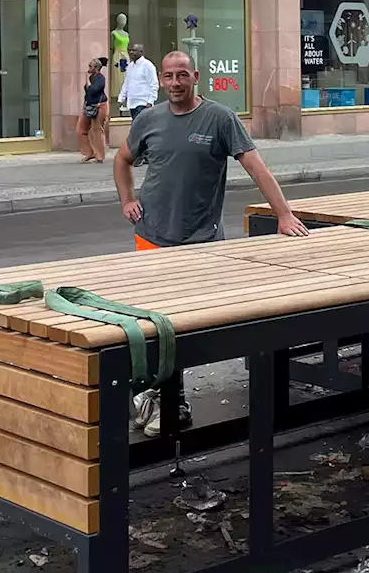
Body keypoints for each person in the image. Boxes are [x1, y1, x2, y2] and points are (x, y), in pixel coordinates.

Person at [112, 50, 308, 437]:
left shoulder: (219, 118)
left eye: (181, 75)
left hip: (201, 243)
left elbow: (256, 167)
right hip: (151, 237)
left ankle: (172, 400)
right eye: (168, 76)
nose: (174, 83)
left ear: (195, 76)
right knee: (152, 324)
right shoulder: (149, 119)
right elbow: (122, 160)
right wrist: (127, 200)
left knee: (183, 326)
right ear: (161, 80)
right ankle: (157, 395)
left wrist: (283, 214)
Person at [78, 57, 109, 163]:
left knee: (97, 130)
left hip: (100, 106)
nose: (88, 68)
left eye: (90, 66)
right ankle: (90, 152)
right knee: (81, 129)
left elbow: (93, 90)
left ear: (96, 68)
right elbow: (87, 93)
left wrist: (87, 82)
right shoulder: (91, 77)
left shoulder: (101, 78)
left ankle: (100, 156)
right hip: (89, 106)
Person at [118, 44, 158, 120]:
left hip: (143, 103)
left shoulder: (148, 66)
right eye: (131, 50)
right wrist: (121, 98)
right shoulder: (130, 66)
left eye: (134, 50)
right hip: (132, 102)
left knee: (140, 126)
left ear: (141, 52)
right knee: (136, 127)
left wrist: (150, 101)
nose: (131, 52)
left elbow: (154, 84)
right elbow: (126, 83)